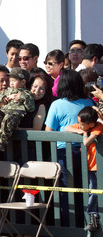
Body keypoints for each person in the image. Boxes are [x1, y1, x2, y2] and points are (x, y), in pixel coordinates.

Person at [45, 69, 96, 227]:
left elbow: (49, 132)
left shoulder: (57, 105)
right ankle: (86, 224)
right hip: (88, 152)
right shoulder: (90, 103)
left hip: (63, 153)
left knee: (66, 190)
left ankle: (69, 228)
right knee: (85, 189)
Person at [65, 107, 103, 231]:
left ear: (91, 124)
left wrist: (85, 134)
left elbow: (86, 143)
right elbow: (67, 128)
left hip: (98, 166)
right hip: (91, 167)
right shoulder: (85, 126)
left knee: (94, 192)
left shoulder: (97, 127)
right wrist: (79, 131)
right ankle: (93, 217)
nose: (79, 126)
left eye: (82, 124)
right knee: (92, 191)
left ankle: (93, 216)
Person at [0, 67, 35, 152]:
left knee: (8, 118)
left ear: (23, 82)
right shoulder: (7, 91)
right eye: (10, 81)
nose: (11, 83)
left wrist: (22, 98)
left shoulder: (27, 93)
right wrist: (4, 98)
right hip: (4, 110)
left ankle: (2, 140)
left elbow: (31, 108)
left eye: (14, 81)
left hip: (16, 113)